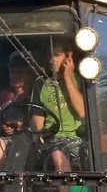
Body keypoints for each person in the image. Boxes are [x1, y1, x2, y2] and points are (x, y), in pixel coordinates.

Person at [33, 40, 86, 172]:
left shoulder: (81, 79)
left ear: (69, 56)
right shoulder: (41, 83)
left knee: (58, 153)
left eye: (56, 55)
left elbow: (82, 112)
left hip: (76, 140)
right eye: (49, 55)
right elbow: (37, 125)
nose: (51, 60)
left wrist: (67, 78)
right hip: (49, 141)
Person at [0, 54, 33, 167]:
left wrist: (23, 126)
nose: (15, 76)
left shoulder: (36, 96)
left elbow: (42, 125)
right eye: (12, 72)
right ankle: (9, 176)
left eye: (20, 72)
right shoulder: (5, 97)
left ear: (30, 75)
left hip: (31, 141)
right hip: (8, 140)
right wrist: (3, 127)